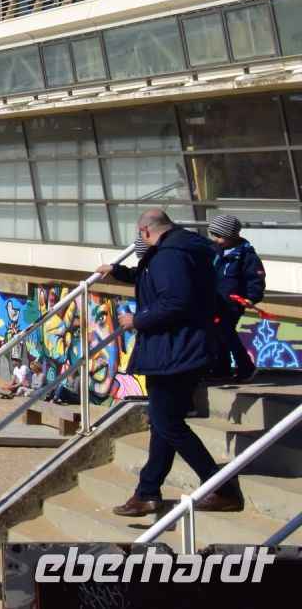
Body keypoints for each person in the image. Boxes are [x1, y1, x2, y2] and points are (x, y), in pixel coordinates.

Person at [97, 209, 242, 516]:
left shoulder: (169, 256)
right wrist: (118, 271)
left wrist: (137, 319)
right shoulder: (180, 250)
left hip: (173, 352)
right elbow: (154, 281)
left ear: (146, 232)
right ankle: (147, 491)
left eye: (140, 236)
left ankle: (222, 487)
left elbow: (175, 301)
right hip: (181, 349)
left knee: (168, 423)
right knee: (163, 423)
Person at [207, 213, 265, 382]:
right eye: (214, 235)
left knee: (226, 332)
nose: (216, 240)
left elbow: (255, 279)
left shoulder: (246, 256)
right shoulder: (215, 252)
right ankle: (222, 367)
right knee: (216, 333)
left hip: (232, 303)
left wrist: (252, 297)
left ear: (231, 235)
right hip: (216, 302)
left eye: (220, 236)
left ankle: (246, 366)